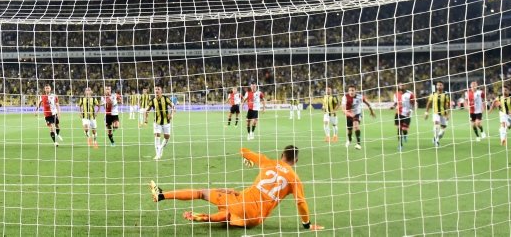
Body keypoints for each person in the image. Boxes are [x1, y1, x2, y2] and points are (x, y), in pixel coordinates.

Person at [148, 146, 323, 230]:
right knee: (231, 215)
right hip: (256, 218)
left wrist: (246, 159)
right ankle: (208, 217)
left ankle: (162, 195)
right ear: (296, 162)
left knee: (202, 193)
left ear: (281, 155)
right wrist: (307, 225)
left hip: (243, 201)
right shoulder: (294, 178)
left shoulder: (268, 162)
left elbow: (243, 150)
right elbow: (301, 203)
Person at [144, 85, 174, 160]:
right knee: (157, 136)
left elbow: (173, 106)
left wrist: (171, 114)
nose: (156, 90)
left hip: (166, 122)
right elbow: (147, 109)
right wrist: (146, 118)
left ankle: (160, 148)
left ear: (161, 91)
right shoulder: (152, 100)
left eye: (158, 89)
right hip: (157, 122)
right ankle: (157, 154)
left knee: (167, 138)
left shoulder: (165, 98)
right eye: (155, 89)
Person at [341, 84, 376, 150]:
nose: (351, 92)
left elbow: (367, 103)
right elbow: (343, 109)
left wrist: (371, 111)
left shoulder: (360, 96)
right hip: (348, 114)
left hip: (357, 113)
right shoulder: (344, 97)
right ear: (348, 91)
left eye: (353, 90)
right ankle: (349, 139)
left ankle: (358, 144)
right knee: (349, 130)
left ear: (355, 91)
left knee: (356, 126)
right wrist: (349, 113)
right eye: (350, 90)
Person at [424, 81, 451, 147]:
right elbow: (429, 103)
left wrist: (448, 114)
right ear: (436, 86)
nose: (439, 86)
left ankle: (436, 138)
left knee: (442, 132)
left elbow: (448, 105)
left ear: (443, 86)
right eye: (438, 85)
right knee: (436, 125)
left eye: (440, 85)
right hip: (436, 113)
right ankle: (436, 140)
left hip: (443, 114)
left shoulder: (446, 95)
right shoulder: (433, 94)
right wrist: (426, 112)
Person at [390, 83, 416, 151]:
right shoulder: (396, 94)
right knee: (399, 129)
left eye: (403, 85)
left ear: (405, 86)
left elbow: (413, 103)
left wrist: (410, 110)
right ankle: (400, 144)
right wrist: (393, 106)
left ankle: (405, 135)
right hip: (398, 113)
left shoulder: (410, 94)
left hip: (407, 114)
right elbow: (396, 103)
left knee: (404, 129)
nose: (401, 86)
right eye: (400, 85)